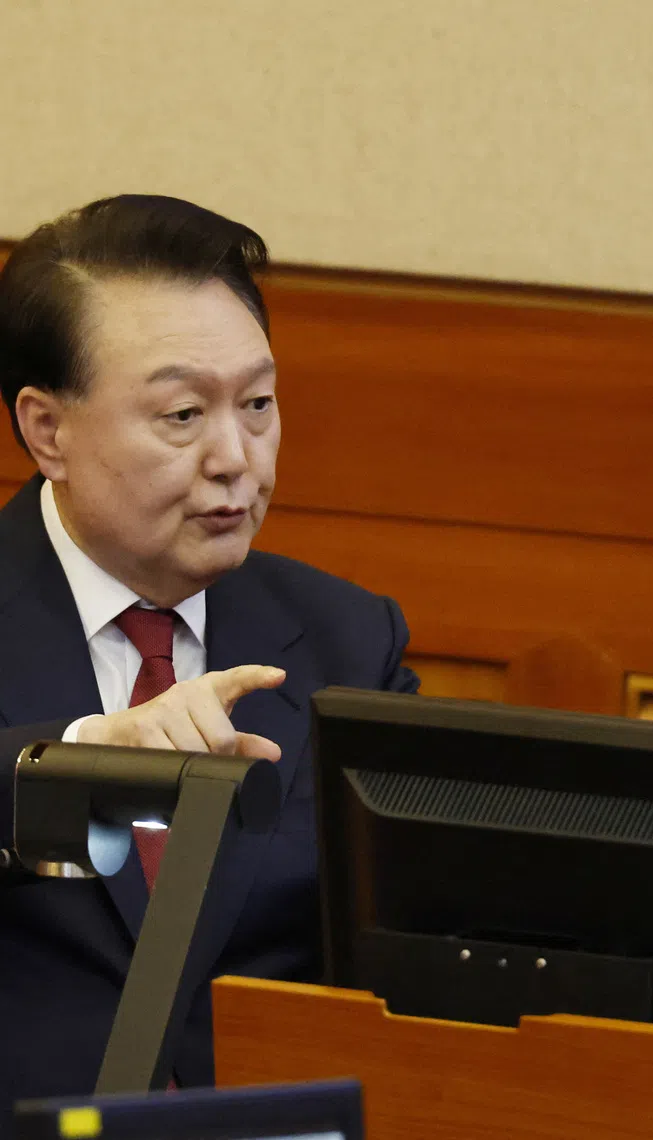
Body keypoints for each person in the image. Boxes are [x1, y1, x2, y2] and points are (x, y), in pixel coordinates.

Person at [0, 195, 419, 1108]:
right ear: (47, 430)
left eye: (259, 404)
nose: (238, 456)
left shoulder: (349, 640)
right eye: (183, 414)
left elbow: (414, 939)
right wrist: (77, 758)